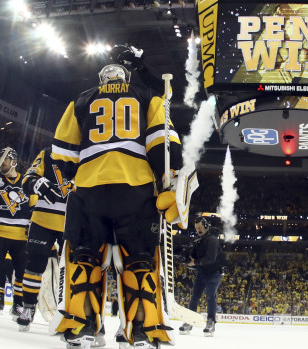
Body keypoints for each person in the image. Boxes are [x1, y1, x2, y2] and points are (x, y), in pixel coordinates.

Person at [50, 58, 184, 348]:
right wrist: (167, 182)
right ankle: (142, 329)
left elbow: (62, 153)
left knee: (84, 257)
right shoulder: (149, 96)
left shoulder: (81, 100)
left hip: (89, 189)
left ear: (102, 79)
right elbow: (165, 144)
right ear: (126, 76)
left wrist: (70, 183)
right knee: (140, 262)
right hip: (136, 190)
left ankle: (83, 324)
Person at [16, 147, 68, 331]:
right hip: (43, 218)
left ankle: (71, 313)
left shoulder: (86, 151)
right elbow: (27, 179)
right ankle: (28, 307)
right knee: (34, 265)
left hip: (73, 220)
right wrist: (36, 184)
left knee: (73, 268)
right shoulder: (47, 153)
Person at [0, 147, 37, 321]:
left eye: (4, 159)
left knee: (21, 272)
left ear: (13, 161)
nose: (1, 162)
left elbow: (34, 207)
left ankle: (18, 304)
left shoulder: (26, 182)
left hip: (20, 236)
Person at [178, 216, 225, 337]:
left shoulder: (212, 240)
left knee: (210, 296)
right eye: (196, 228)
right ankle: (190, 321)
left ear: (205, 226)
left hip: (214, 273)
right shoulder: (197, 241)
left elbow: (211, 258)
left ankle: (211, 322)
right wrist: (187, 260)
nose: (198, 230)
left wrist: (195, 262)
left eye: (200, 227)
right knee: (194, 297)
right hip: (201, 273)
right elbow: (194, 258)